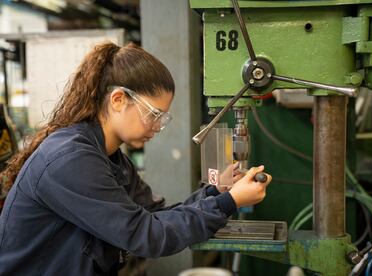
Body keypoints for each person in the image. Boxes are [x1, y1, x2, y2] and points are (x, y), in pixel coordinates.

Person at [0, 42, 272, 275]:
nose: (157, 127)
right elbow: (147, 235)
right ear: (118, 100)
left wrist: (218, 191)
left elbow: (156, 217)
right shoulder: (71, 160)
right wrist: (231, 201)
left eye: (162, 119)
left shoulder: (111, 159)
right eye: (154, 114)